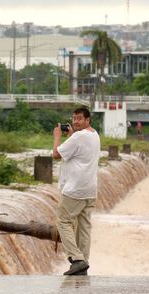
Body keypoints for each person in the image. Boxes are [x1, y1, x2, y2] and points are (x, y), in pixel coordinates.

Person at [53, 107, 101, 276]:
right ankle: (84, 263)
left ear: (88, 120)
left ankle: (77, 259)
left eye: (80, 118)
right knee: (84, 226)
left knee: (63, 221)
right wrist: (72, 136)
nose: (76, 122)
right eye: (74, 118)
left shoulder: (79, 137)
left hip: (76, 189)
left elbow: (56, 154)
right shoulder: (94, 135)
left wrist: (57, 136)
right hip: (90, 189)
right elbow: (77, 152)